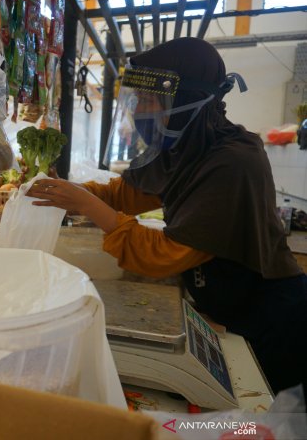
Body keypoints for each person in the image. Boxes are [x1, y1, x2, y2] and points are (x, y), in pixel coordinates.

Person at [27, 37, 307, 396]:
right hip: (230, 310)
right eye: (136, 99)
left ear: (187, 99)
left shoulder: (233, 161)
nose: (139, 111)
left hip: (274, 321)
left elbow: (166, 254)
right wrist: (65, 193)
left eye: (148, 99)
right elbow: (123, 195)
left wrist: (89, 207)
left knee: (269, 423)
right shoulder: (186, 147)